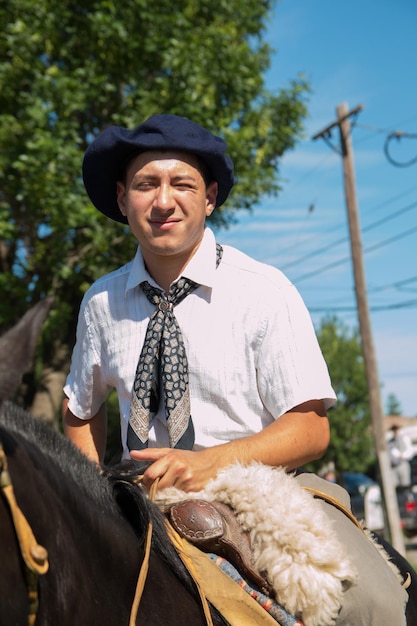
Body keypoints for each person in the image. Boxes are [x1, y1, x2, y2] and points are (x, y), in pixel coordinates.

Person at [62, 114, 407, 625]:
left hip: (265, 492)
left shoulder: (264, 290)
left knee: (370, 603)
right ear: (121, 198)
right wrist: (89, 492)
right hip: (141, 498)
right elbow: (79, 410)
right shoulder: (100, 302)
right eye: (145, 184)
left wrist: (212, 463)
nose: (162, 201)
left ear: (210, 197)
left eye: (182, 183)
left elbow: (311, 429)